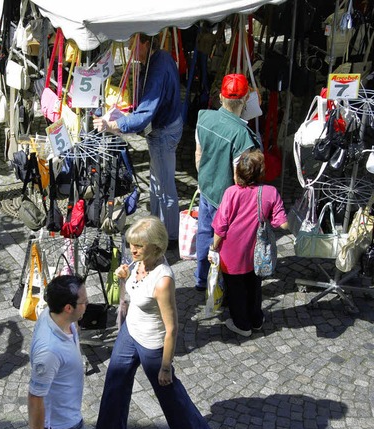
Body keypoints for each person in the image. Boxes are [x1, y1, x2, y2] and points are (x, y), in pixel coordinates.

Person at [93, 217, 213, 429]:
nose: (133, 249)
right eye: (131, 244)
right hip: (130, 332)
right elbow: (130, 297)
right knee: (114, 385)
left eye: (139, 245)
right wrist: (123, 280)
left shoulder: (163, 280)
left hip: (152, 343)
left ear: (156, 246)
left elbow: (172, 328)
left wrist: (165, 367)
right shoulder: (136, 262)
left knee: (169, 394)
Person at [93, 33, 183, 246]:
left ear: (146, 43)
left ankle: (169, 236)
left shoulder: (157, 69)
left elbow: (144, 116)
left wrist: (113, 125)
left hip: (163, 130)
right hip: (168, 124)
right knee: (157, 181)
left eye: (134, 44)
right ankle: (157, 226)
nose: (131, 50)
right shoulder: (160, 57)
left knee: (164, 185)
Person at [209, 149, 288, 337]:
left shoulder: (231, 193)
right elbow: (281, 223)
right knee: (254, 286)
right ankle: (257, 319)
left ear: (238, 172)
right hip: (256, 253)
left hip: (232, 254)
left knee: (236, 290)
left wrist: (213, 248)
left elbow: (220, 227)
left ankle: (242, 325)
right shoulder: (270, 192)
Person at [194, 73, 258, 291]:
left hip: (206, 189)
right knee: (226, 242)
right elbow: (238, 178)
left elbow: (198, 154)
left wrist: (203, 180)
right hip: (226, 199)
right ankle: (224, 285)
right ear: (246, 99)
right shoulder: (242, 135)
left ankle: (202, 279)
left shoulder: (204, 117)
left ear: (221, 97)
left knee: (204, 234)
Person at [28, 275, 87, 429]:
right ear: (68, 308)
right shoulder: (49, 351)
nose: (87, 306)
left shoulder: (53, 314)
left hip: (70, 416)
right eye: (84, 302)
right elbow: (35, 397)